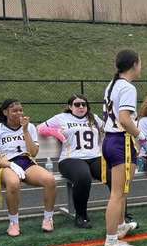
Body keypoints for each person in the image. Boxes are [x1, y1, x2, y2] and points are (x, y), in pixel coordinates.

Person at [0, 99, 58, 237]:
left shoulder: (29, 127)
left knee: (50, 180)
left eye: (20, 110)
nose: (19, 113)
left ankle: (48, 218)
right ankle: (14, 223)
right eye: (14, 111)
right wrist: (9, 164)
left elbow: (33, 153)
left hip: (25, 161)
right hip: (6, 163)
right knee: (13, 183)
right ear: (5, 112)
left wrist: (25, 130)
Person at [39, 94, 105, 229]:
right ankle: (81, 215)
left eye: (83, 104)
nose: (81, 107)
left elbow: (108, 129)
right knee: (83, 177)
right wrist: (55, 132)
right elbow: (40, 128)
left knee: (113, 173)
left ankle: (122, 213)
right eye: (77, 104)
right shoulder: (61, 118)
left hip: (94, 157)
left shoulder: (94, 118)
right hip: (71, 159)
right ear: (70, 106)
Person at [102, 49, 142, 246]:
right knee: (117, 194)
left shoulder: (112, 84)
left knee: (120, 191)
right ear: (134, 64)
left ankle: (120, 226)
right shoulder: (127, 87)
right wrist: (140, 136)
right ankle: (111, 240)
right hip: (121, 141)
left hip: (110, 140)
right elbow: (125, 119)